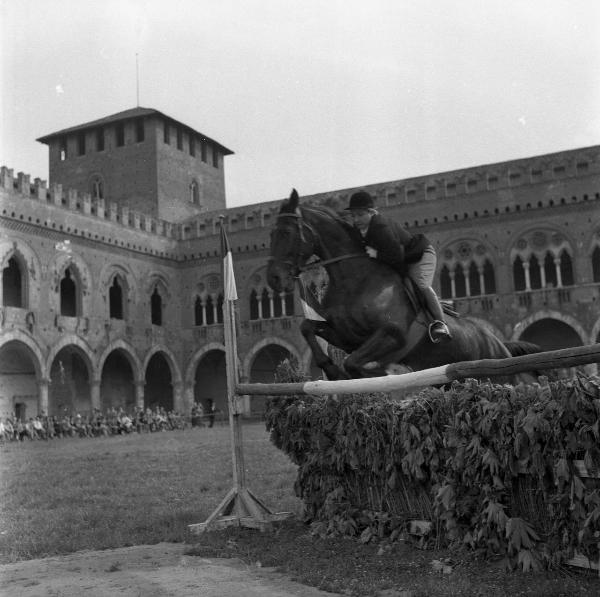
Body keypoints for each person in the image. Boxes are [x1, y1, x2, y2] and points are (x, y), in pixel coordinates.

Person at [345, 190, 452, 343]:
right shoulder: (359, 229)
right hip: (400, 262)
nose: (356, 219)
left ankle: (441, 324)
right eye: (353, 216)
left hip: (420, 255)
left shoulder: (381, 227)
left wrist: (376, 255)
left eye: (360, 215)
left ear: (371, 212)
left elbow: (396, 257)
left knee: (420, 284)